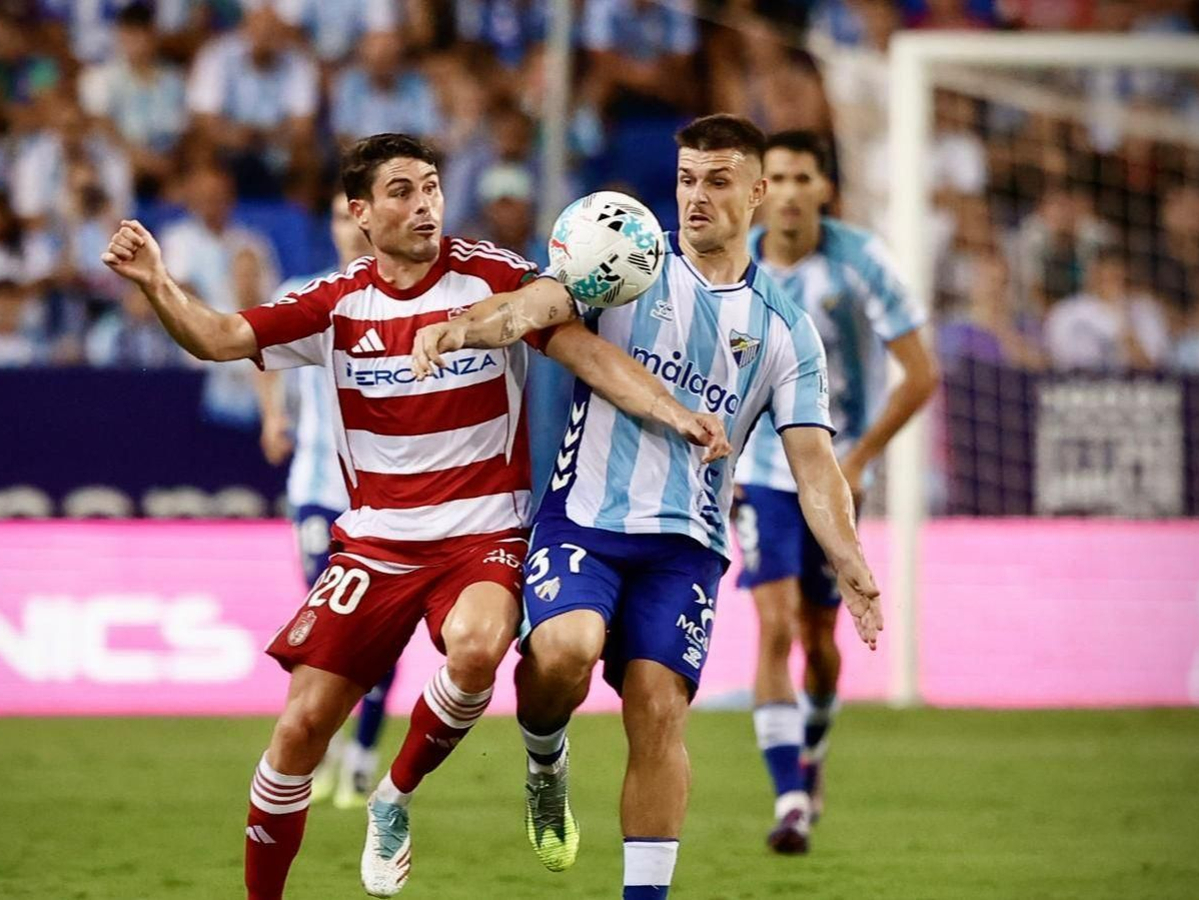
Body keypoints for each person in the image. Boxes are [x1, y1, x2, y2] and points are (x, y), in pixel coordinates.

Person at [99, 132, 727, 900]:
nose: (424, 204)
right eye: (402, 191)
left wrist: (673, 411)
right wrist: (159, 283)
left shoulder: (491, 277)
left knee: (477, 647)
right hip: (373, 544)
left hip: (484, 532)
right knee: (298, 733)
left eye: (430, 186)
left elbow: (582, 352)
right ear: (360, 211)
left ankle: (393, 796)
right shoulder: (334, 304)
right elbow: (221, 337)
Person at [411, 114, 884, 900]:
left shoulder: (785, 332)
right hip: (587, 517)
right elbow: (535, 305)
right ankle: (544, 756)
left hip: (687, 545)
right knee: (562, 650)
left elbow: (815, 466)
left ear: (758, 193)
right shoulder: (625, 256)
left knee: (658, 710)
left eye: (718, 181)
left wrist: (852, 560)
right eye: (687, 179)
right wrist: (465, 326)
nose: (697, 196)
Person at [732, 130, 939, 854]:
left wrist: (857, 461)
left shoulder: (861, 261)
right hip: (757, 468)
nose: (788, 191)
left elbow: (920, 373)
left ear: (826, 188)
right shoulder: (736, 263)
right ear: (760, 190)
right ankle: (789, 799)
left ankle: (812, 754)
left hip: (835, 473)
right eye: (776, 177)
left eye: (801, 178)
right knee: (776, 622)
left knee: (822, 642)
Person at [254, 192, 393, 811]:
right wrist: (272, 417)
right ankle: (324, 744)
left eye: (357, 215)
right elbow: (259, 348)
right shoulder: (305, 291)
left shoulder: (406, 295)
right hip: (317, 489)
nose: (352, 228)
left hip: (384, 494)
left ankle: (361, 752)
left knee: (378, 631)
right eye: (340, 217)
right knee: (331, 628)